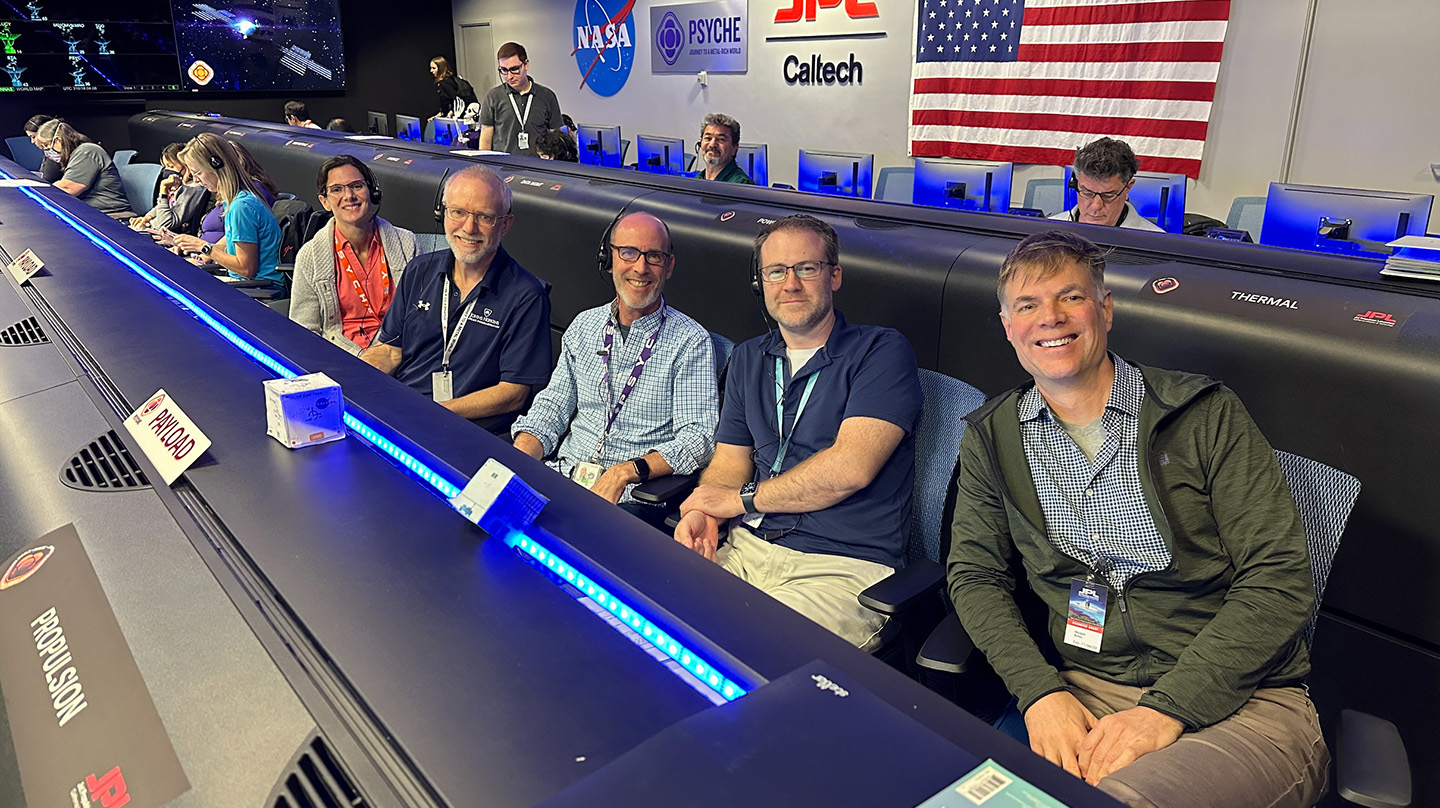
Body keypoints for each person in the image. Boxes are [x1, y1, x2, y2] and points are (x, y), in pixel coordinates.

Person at [946, 230, 1326, 808]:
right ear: (1008, 326)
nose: (1049, 318)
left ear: (1105, 309)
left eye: (1070, 298)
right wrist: (1038, 692)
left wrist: (1166, 710)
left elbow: (1279, 579)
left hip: (1242, 697)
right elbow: (975, 577)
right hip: (1082, 689)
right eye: (1028, 305)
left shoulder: (1203, 415)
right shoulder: (992, 436)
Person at [673, 214, 921, 649]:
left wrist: (736, 501)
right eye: (776, 272)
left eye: (807, 268)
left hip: (841, 568)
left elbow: (850, 468)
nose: (791, 284)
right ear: (762, 283)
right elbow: (730, 462)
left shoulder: (881, 350)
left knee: (748, 653)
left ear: (834, 276)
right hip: (748, 547)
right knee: (654, 625)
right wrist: (705, 512)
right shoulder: (749, 358)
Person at [513, 212, 718, 529]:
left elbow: (699, 439)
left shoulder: (690, 342)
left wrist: (623, 472)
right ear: (609, 258)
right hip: (564, 478)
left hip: (631, 500)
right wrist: (519, 461)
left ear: (669, 266)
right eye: (628, 252)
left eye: (654, 256)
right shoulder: (584, 325)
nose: (640, 267)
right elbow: (552, 407)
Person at [361, 165, 552, 434]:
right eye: (458, 212)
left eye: (484, 217)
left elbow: (514, 392)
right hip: (403, 412)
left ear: (505, 225)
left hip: (465, 429)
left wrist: (432, 413)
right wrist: (359, 381)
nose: (468, 227)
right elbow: (390, 350)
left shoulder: (527, 296)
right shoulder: (419, 270)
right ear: (443, 212)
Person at [290, 155, 419, 355]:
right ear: (324, 202)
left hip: (401, 353)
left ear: (372, 192)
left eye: (356, 186)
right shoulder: (310, 256)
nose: (349, 195)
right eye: (337, 190)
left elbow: (421, 315)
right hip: (342, 358)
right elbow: (304, 331)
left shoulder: (406, 243)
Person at [170, 134, 287, 292]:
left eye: (197, 173)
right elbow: (230, 242)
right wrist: (203, 252)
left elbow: (246, 269)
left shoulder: (242, 207)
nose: (195, 180)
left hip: (259, 289)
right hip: (248, 284)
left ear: (216, 166)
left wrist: (203, 246)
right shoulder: (236, 200)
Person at [1050, 137, 1163, 231]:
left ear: (1128, 188)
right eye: (1087, 193)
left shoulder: (1159, 244)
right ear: (1075, 184)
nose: (1096, 206)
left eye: (1108, 195)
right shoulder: (1048, 232)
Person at [34, 119, 135, 219]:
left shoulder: (87, 152)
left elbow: (68, 188)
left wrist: (38, 192)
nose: (47, 151)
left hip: (111, 215)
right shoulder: (76, 154)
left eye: (46, 145)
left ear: (58, 140)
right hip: (94, 213)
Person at [477, 42, 564, 157]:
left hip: (538, 167)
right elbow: (485, 140)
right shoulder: (493, 96)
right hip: (504, 167)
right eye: (504, 70)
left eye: (514, 69)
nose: (509, 76)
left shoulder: (547, 96)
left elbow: (555, 137)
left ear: (526, 64)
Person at [130, 142, 212, 236]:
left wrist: (163, 190)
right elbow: (163, 206)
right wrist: (146, 218)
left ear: (186, 166)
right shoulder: (180, 186)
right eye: (165, 167)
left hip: (168, 236)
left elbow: (166, 224)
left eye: (171, 166)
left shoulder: (193, 189)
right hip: (154, 230)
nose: (167, 170)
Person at [697, 113, 754, 184]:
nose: (712, 144)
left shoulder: (742, 184)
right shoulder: (698, 179)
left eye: (721, 139)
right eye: (708, 138)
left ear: (734, 148)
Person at [429, 56, 479, 120]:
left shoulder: (444, 84)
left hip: (458, 117)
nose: (431, 71)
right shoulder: (454, 80)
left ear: (440, 68)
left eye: (434, 68)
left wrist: (448, 116)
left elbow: (454, 101)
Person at [23, 114, 63, 183]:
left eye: (33, 137)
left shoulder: (55, 155)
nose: (32, 142)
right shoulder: (49, 152)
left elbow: (48, 179)